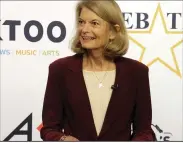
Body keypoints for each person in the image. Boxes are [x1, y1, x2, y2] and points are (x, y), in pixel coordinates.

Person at [40, 0, 156, 141]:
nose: (84, 29)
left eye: (94, 23)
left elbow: (144, 131)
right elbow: (49, 129)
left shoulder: (137, 73)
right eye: (82, 22)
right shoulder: (60, 70)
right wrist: (62, 139)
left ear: (114, 32)